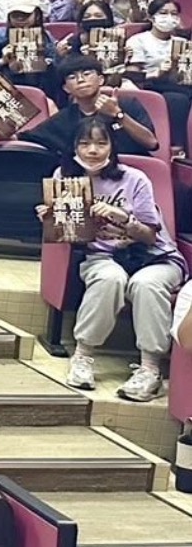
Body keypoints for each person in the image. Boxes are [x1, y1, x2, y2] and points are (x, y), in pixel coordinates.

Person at [35, 117, 182, 401]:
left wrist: (123, 218)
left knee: (146, 285)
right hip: (102, 256)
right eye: (85, 143)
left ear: (112, 147)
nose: (93, 150)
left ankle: (150, 369)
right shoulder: (64, 177)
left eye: (101, 143)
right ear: (74, 147)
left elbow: (151, 236)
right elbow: (71, 236)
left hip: (155, 257)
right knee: (109, 278)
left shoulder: (135, 178)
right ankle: (83, 356)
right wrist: (52, 219)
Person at [20, 53, 161, 163]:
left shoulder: (127, 104)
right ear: (66, 88)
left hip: (133, 173)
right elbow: (28, 137)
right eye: (72, 77)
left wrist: (118, 114)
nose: (81, 80)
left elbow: (151, 143)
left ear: (101, 80)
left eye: (87, 74)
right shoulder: (64, 118)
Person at [125, 0, 192, 157]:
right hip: (152, 85)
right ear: (151, 17)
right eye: (163, 13)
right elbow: (133, 77)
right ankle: (177, 148)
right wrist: (158, 72)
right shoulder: (138, 40)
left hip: (181, 84)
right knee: (178, 99)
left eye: (174, 14)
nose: (169, 17)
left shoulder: (182, 42)